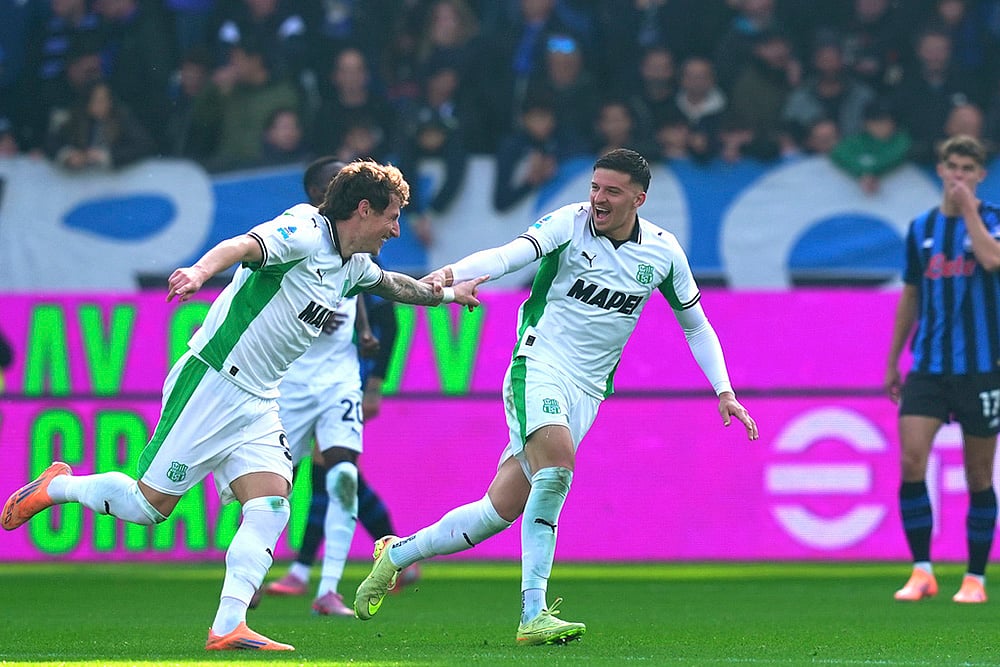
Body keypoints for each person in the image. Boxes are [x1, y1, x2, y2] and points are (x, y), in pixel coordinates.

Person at [0, 159, 487, 651]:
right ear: (364, 209)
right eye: (392, 216)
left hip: (259, 399)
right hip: (212, 382)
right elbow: (242, 246)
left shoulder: (353, 265)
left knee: (272, 505)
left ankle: (228, 626)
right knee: (147, 508)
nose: (396, 229)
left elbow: (398, 286)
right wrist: (199, 271)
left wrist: (447, 294)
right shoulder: (303, 231)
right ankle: (59, 486)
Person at [353, 148, 759, 645]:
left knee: (496, 512)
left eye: (612, 191)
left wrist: (724, 390)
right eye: (595, 187)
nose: (599, 199)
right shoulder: (569, 224)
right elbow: (508, 255)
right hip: (539, 364)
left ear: (638, 199)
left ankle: (396, 553)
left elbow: (695, 325)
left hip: (589, 389)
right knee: (558, 469)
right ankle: (533, 612)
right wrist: (450, 274)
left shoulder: (663, 251)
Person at [253, 156, 417, 615]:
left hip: (338, 379)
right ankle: (255, 572)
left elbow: (376, 303)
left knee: (342, 473)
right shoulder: (297, 236)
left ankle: (326, 586)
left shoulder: (361, 251)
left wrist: (373, 375)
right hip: (287, 381)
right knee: (273, 485)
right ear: (318, 195)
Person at [885, 134, 1000, 605]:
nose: (959, 175)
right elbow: (911, 294)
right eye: (953, 166)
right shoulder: (921, 228)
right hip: (929, 368)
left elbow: (992, 260)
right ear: (940, 169)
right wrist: (893, 360)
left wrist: (968, 209)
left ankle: (975, 577)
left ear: (980, 175)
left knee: (979, 475)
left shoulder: (993, 221)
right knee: (912, 462)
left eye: (968, 169)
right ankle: (922, 571)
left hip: (982, 368)